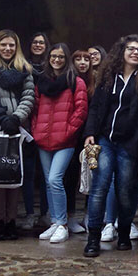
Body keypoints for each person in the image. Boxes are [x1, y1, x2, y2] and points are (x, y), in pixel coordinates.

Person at [84, 35, 138, 257]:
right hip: (106, 140)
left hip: (131, 144)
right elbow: (96, 107)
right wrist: (90, 132)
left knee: (125, 191)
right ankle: (93, 239)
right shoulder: (109, 77)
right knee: (99, 188)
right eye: (131, 49)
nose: (135, 52)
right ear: (122, 52)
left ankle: (124, 232)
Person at [0, 30, 35, 240]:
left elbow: (29, 96)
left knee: (14, 178)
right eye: (4, 45)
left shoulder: (25, 69)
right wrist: (4, 119)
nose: (8, 49)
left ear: (16, 47)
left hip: (18, 131)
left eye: (11, 45)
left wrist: (17, 118)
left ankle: (11, 221)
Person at [32, 43, 88, 244]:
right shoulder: (42, 83)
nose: (57, 60)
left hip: (64, 140)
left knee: (56, 179)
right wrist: (36, 130)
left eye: (61, 57)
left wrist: (68, 132)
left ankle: (62, 224)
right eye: (53, 56)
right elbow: (36, 109)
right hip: (43, 139)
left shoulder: (75, 81)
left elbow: (80, 111)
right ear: (49, 58)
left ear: (66, 60)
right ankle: (55, 221)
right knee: (48, 181)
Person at [61, 50, 95, 234]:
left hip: (89, 136)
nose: (82, 63)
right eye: (78, 59)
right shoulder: (68, 80)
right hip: (71, 135)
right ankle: (70, 216)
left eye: (86, 59)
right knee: (70, 177)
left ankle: (89, 215)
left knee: (91, 176)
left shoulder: (95, 83)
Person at [22, 32, 51, 230]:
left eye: (41, 42)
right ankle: (29, 213)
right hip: (26, 124)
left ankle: (46, 213)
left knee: (47, 174)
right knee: (28, 171)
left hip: (47, 124)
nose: (38, 45)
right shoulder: (22, 66)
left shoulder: (51, 69)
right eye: (34, 42)